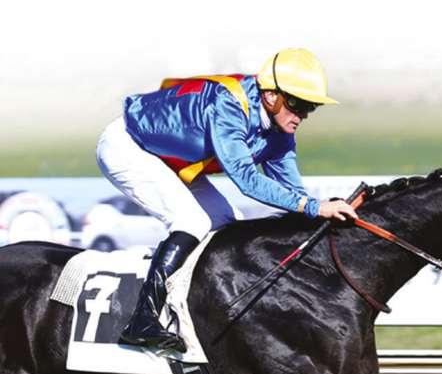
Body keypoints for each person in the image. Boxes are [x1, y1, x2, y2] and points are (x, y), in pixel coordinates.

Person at [96, 48, 358, 352]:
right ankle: (143, 319)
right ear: (271, 96)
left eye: (311, 107)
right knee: (191, 221)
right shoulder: (228, 105)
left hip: (169, 158)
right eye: (298, 104)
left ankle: (192, 304)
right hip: (127, 146)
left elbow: (295, 194)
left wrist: (323, 210)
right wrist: (314, 207)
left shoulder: (280, 132)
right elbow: (246, 179)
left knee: (226, 222)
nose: (302, 115)